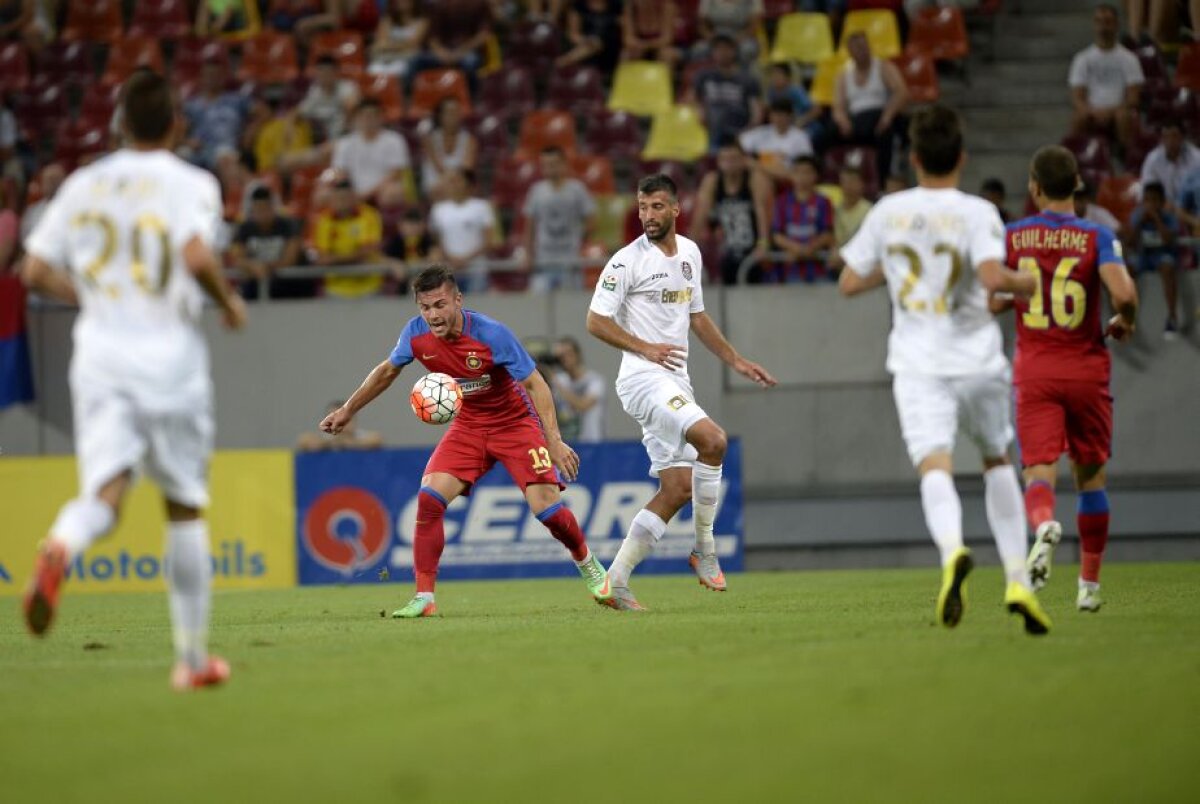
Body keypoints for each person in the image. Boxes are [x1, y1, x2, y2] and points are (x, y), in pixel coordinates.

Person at [18, 69, 247, 689]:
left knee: (105, 493)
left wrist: (90, 299)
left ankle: (62, 545)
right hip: (167, 357)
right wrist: (226, 302)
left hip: (99, 357)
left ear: (118, 124)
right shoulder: (190, 182)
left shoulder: (82, 184)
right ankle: (194, 662)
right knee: (184, 508)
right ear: (176, 124)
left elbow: (33, 269)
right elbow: (197, 255)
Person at [837, 104, 1052, 635]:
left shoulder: (887, 210)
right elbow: (991, 275)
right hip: (977, 357)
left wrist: (896, 269)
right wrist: (1028, 282)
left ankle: (953, 551)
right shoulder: (978, 211)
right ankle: (1017, 578)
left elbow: (848, 280)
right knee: (997, 459)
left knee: (935, 466)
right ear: (961, 157)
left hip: (918, 363)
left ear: (912, 159)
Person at [320, 265, 611, 616]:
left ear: (458, 300)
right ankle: (424, 597)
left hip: (515, 424)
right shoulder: (415, 335)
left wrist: (554, 440)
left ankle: (586, 561)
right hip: (470, 426)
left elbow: (536, 384)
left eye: (440, 305)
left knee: (547, 510)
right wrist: (349, 410)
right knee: (428, 499)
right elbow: (387, 371)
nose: (433, 315)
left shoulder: (491, 334)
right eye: (425, 308)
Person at [585, 172, 777, 611]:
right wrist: (644, 347)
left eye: (656, 207)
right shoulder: (625, 261)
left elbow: (698, 317)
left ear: (675, 209)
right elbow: (595, 321)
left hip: (674, 381)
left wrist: (736, 360)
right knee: (714, 440)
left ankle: (615, 580)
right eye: (642, 207)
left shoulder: (689, 253)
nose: (647, 215)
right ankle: (705, 550)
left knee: (676, 487)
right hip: (641, 378)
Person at [993, 145, 1137, 614]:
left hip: (1035, 369)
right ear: (1076, 185)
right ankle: (1089, 587)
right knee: (1091, 477)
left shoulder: (1013, 236)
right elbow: (1123, 293)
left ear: (1034, 187)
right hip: (1086, 369)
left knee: (1038, 468)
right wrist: (1124, 319)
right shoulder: (1097, 235)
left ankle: (1043, 526)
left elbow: (995, 294)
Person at [691, 138, 772, 284]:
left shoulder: (754, 180)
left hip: (753, 250)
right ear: (718, 162)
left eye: (734, 159)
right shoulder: (713, 181)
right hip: (728, 250)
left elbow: (762, 213)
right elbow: (700, 216)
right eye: (725, 159)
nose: (730, 163)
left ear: (743, 160)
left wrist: (763, 243)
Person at [832, 31, 909, 183]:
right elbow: (838, 107)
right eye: (856, 48)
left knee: (888, 132)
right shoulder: (843, 75)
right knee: (825, 134)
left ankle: (884, 180)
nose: (861, 51)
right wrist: (843, 121)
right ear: (850, 52)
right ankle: (837, 181)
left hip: (879, 117)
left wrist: (887, 117)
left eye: (863, 46)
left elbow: (901, 93)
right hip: (856, 120)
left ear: (868, 47)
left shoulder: (883, 67)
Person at [1068, 3, 1143, 151]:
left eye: (1107, 22)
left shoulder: (1129, 58)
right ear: (1094, 24)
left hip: (1119, 110)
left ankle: (1128, 159)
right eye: (1099, 22)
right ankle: (1074, 158)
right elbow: (1077, 97)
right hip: (1092, 111)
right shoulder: (1082, 58)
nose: (1103, 27)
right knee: (1079, 116)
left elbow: (1134, 97)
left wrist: (1112, 111)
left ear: (1116, 25)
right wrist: (1091, 111)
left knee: (1123, 116)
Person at [521, 146, 596, 290]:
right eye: (545, 165)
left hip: (570, 261)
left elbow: (591, 222)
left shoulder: (577, 189)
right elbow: (529, 227)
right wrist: (528, 254)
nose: (550, 168)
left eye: (554, 164)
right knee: (539, 306)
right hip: (543, 261)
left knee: (569, 306)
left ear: (564, 164)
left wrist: (579, 241)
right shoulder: (536, 191)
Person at [229, 185, 310, 299]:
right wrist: (252, 266)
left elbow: (290, 259)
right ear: (252, 210)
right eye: (258, 210)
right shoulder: (244, 229)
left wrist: (264, 267)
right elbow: (237, 258)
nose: (262, 214)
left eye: (265, 209)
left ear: (273, 208)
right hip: (257, 284)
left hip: (288, 285)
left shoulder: (288, 225)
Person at [311, 174, 385, 298]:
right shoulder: (324, 221)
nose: (342, 202)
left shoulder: (369, 215)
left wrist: (335, 259)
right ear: (332, 198)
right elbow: (323, 258)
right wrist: (355, 256)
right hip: (335, 290)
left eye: (345, 198)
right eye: (338, 198)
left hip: (369, 287)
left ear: (353, 197)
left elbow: (367, 251)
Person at [429, 168, 501, 292]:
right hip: (448, 271)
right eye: (451, 182)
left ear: (469, 185)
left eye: (458, 181)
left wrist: (466, 260)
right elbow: (436, 241)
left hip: (475, 270)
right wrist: (450, 258)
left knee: (474, 310)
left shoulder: (482, 207)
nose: (453, 185)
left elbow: (489, 241)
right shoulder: (438, 209)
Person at [331, 98, 412, 205]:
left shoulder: (395, 140)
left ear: (381, 117)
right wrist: (350, 191)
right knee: (325, 194)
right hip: (353, 191)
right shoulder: (345, 143)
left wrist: (368, 194)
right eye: (365, 116)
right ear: (357, 118)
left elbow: (395, 174)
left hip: (383, 190)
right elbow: (340, 172)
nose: (368, 120)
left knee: (392, 192)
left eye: (373, 116)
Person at [1127, 181, 1183, 337]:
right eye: (1147, 200)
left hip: (1163, 255)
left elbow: (1168, 239)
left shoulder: (1169, 217)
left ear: (1162, 202)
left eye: (1154, 200)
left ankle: (1172, 317)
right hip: (1143, 256)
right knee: (1126, 270)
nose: (1150, 204)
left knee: (1167, 268)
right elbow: (1130, 242)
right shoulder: (1137, 215)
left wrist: (1156, 219)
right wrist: (1139, 224)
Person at [691, 34, 763, 150]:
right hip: (711, 132)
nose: (722, 53)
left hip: (739, 133)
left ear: (734, 51)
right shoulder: (704, 76)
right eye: (718, 49)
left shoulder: (748, 79)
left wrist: (747, 133)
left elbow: (756, 112)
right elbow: (695, 99)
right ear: (712, 52)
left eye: (726, 49)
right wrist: (700, 112)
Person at [770, 156, 835, 283]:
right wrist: (798, 249)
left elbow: (827, 234)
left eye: (807, 172)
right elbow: (777, 235)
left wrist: (808, 249)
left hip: (819, 270)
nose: (802, 177)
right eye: (798, 172)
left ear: (815, 175)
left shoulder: (823, 202)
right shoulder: (782, 202)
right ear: (792, 175)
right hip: (791, 271)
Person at [183, 58, 250, 169]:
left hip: (225, 148)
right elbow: (176, 128)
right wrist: (186, 141)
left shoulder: (235, 100)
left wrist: (250, 131)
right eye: (208, 75)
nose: (212, 78)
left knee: (224, 159)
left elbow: (263, 112)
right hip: (197, 148)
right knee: (181, 155)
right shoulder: (191, 105)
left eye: (216, 75)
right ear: (201, 78)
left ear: (222, 78)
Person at [738, 98, 815, 184]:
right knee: (758, 175)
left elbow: (806, 165)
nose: (778, 118)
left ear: (790, 116)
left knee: (759, 172)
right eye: (775, 114)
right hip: (763, 176)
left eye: (782, 115)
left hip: (787, 177)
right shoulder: (760, 133)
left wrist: (757, 165)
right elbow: (738, 144)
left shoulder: (800, 137)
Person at [551, 336, 607, 444]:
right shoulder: (559, 380)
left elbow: (583, 405)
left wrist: (556, 383)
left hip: (593, 445)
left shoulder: (595, 381)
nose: (564, 359)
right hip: (566, 446)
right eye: (559, 357)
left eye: (567, 354)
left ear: (578, 354)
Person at [420, 97, 478, 199]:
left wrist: (453, 183)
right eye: (450, 113)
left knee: (459, 188)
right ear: (440, 116)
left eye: (457, 112)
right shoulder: (429, 140)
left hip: (459, 184)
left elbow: (466, 169)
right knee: (440, 190)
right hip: (436, 181)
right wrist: (449, 182)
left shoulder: (470, 140)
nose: (454, 116)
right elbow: (439, 168)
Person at [299, 55, 362, 142]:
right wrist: (289, 124)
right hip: (322, 136)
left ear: (336, 73)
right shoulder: (315, 91)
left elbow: (352, 107)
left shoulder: (347, 87)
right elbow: (300, 111)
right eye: (321, 72)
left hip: (345, 135)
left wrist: (345, 129)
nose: (324, 76)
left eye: (328, 72)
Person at [1139, 121, 1200, 207]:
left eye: (1174, 136)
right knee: (1139, 214)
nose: (1170, 141)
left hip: (1190, 207)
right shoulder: (1153, 159)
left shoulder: (1196, 158)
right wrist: (1164, 205)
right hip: (1162, 207)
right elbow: (1146, 190)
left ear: (1182, 138)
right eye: (1165, 137)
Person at [556, 0, 623, 74]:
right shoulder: (578, 6)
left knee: (603, 40)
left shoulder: (617, 6)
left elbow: (622, 29)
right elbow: (574, 35)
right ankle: (566, 61)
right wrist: (586, 40)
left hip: (610, 46)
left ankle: (564, 61)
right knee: (593, 43)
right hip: (584, 45)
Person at [368, 0, 428, 78]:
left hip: (406, 61)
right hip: (386, 59)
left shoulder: (422, 22)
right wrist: (403, 45)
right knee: (373, 69)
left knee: (400, 70)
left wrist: (389, 45)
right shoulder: (387, 20)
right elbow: (381, 43)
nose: (401, 1)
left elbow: (414, 44)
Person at [298, 400, 383, 451]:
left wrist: (351, 444)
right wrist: (330, 444)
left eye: (345, 420)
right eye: (334, 420)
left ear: (354, 420)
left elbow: (377, 440)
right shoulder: (326, 438)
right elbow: (304, 441)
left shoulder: (362, 436)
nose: (340, 424)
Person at [384, 208, 434, 294]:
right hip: (401, 287)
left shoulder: (427, 240)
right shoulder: (395, 241)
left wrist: (416, 265)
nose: (413, 229)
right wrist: (394, 263)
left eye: (417, 224)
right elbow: (383, 257)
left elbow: (435, 255)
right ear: (400, 226)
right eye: (410, 225)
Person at [621, 0, 679, 65]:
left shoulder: (667, 7)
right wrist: (640, 47)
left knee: (667, 55)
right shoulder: (630, 8)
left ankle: (663, 74)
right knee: (626, 54)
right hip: (638, 48)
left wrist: (646, 46)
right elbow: (628, 39)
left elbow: (667, 39)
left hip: (659, 47)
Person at [834, 165, 872, 249]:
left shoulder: (870, 211)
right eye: (844, 182)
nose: (848, 186)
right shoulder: (835, 210)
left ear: (861, 184)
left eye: (852, 181)